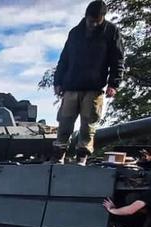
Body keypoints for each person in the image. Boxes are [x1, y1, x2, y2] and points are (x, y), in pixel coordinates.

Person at [52, 0, 125, 163]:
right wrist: (57, 81)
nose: (92, 24)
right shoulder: (75, 33)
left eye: (96, 21)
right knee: (64, 122)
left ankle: (82, 156)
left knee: (88, 123)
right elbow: (64, 58)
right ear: (86, 16)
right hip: (71, 85)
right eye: (90, 20)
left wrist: (114, 83)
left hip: (94, 87)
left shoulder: (111, 32)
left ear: (102, 18)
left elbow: (117, 59)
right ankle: (59, 154)